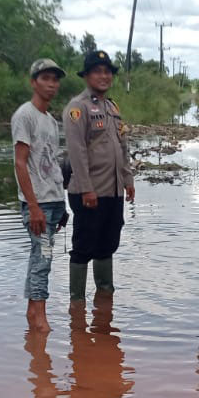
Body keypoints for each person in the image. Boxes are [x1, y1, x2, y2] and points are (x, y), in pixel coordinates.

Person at [64, 50, 135, 301]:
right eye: (98, 71)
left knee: (107, 244)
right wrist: (86, 189)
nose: (104, 76)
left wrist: (128, 180)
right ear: (87, 75)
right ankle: (77, 304)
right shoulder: (77, 108)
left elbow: (122, 147)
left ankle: (105, 299)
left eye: (107, 71)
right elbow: (77, 151)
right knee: (84, 246)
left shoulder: (111, 107)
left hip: (113, 191)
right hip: (89, 192)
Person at [12, 57, 70, 331]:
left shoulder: (50, 121)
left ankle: (32, 312)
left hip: (53, 202)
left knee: (40, 256)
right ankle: (40, 317)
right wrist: (33, 207)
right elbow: (20, 162)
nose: (51, 84)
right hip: (38, 205)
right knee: (43, 258)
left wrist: (63, 205)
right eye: (45, 78)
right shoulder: (25, 115)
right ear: (33, 82)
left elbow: (52, 164)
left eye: (55, 79)